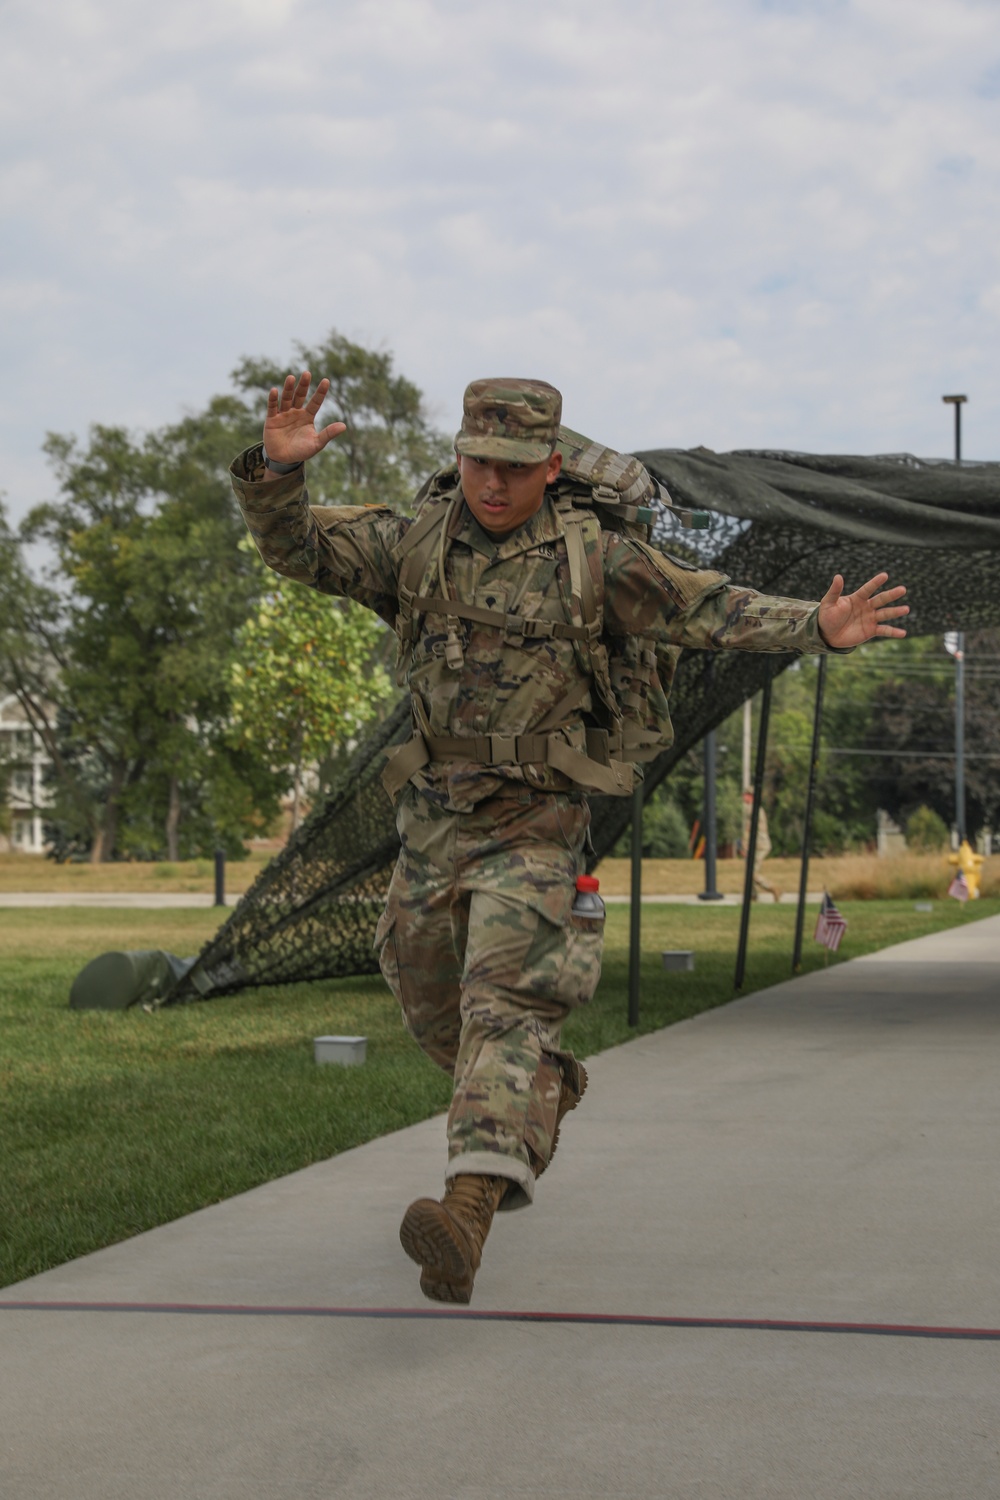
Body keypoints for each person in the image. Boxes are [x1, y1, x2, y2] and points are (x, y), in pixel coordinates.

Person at [230, 372, 908, 1304]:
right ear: (458, 455)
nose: (493, 484)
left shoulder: (599, 560)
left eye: (514, 467)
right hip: (431, 821)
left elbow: (706, 607)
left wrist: (817, 628)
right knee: (431, 1003)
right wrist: (275, 470)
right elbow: (297, 551)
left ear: (551, 465)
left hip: (538, 821)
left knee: (503, 1005)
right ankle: (542, 1086)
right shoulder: (412, 541)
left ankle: (465, 1213)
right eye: (477, 462)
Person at [742, 787, 781, 901]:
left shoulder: (753, 809)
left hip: (761, 846)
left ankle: (773, 888)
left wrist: (745, 844)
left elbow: (749, 829)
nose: (744, 797)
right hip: (756, 845)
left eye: (746, 794)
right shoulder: (754, 809)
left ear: (752, 796)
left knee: (752, 873)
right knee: (749, 871)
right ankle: (752, 895)